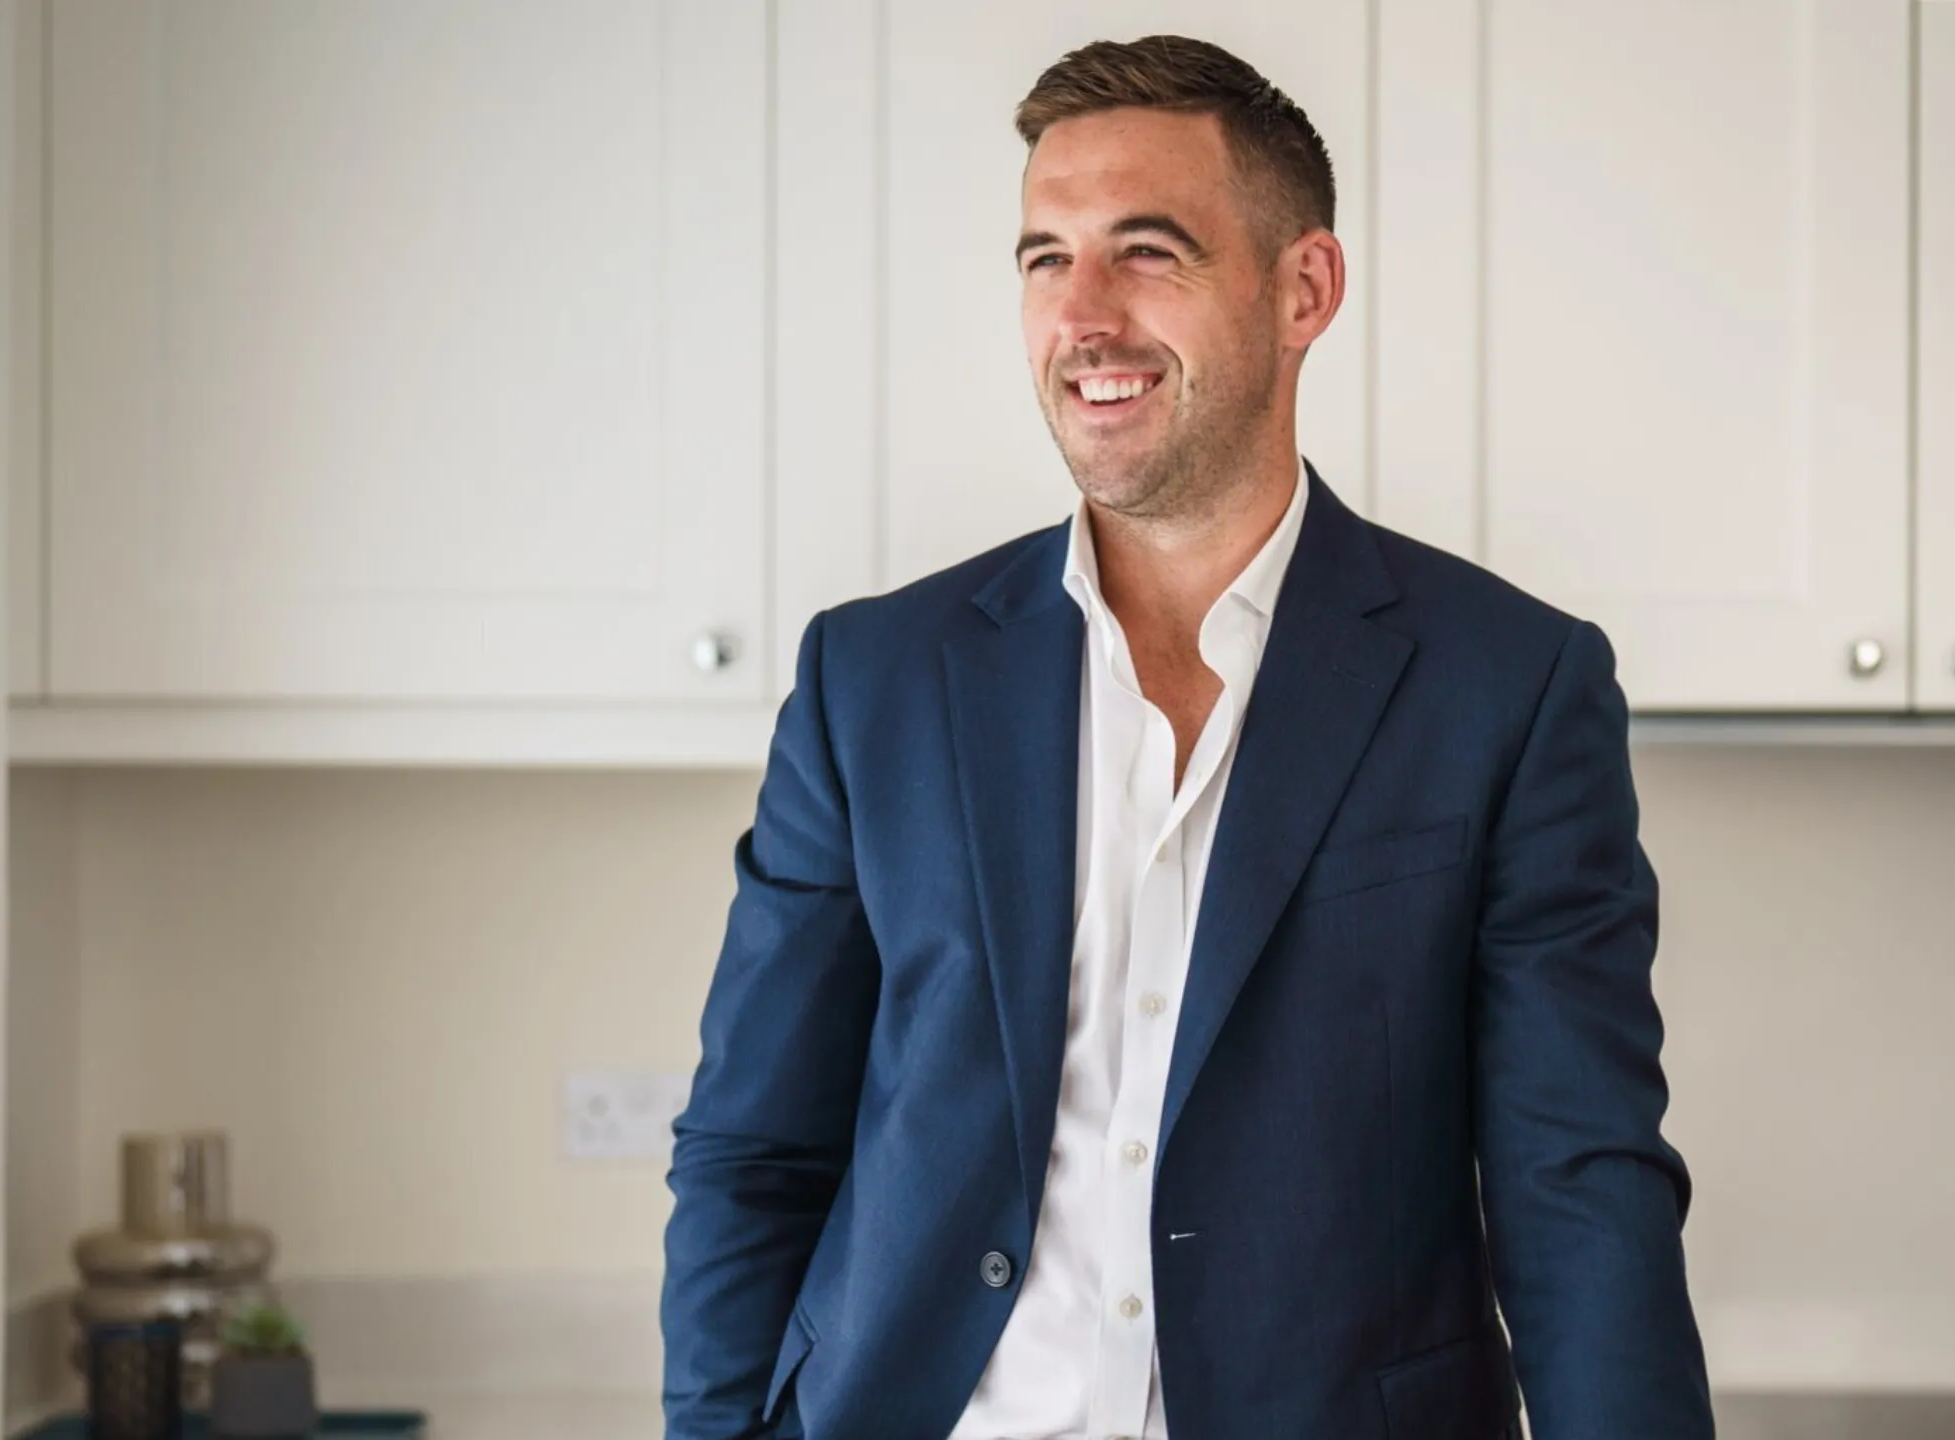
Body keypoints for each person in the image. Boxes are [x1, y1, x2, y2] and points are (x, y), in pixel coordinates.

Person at [661, 33, 1711, 1440]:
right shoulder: (873, 683)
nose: (1082, 316)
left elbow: (1577, 1184)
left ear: (1304, 289)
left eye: (1147, 252)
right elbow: (753, 1151)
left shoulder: (1509, 688)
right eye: (1046, 258)